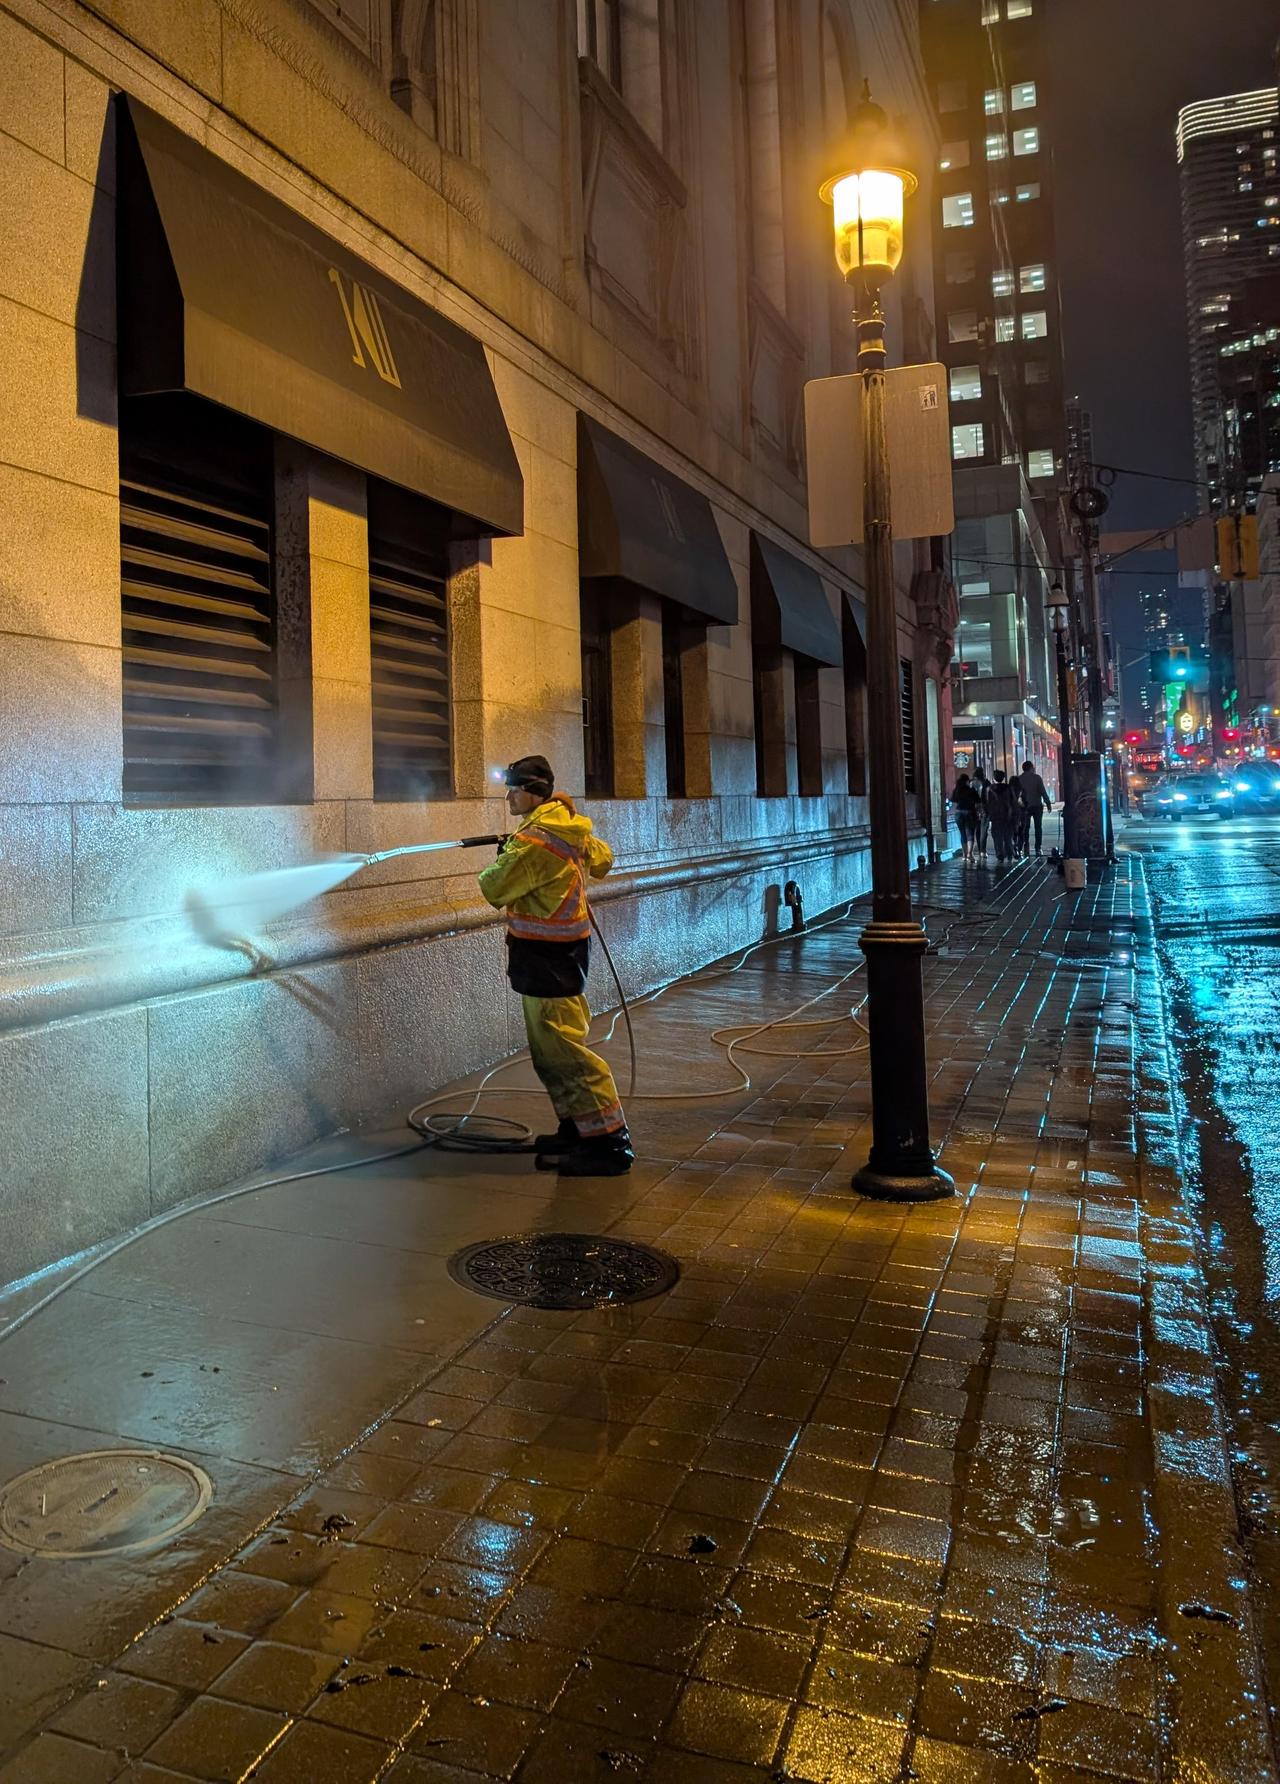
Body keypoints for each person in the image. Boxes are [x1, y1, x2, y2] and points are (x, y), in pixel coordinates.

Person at [477, 756, 633, 1177]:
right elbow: (602, 859)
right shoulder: (563, 825)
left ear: (531, 792)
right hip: (552, 954)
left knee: (565, 1051)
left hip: (549, 958)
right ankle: (578, 1128)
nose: (508, 797)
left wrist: (508, 852)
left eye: (512, 789)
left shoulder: (538, 840)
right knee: (549, 1052)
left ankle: (610, 1143)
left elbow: (493, 886)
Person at [1014, 759, 1054, 855]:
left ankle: (1025, 846)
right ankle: (1037, 848)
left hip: (1024, 807)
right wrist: (1048, 803)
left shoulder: (1019, 779)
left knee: (1025, 827)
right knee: (1038, 827)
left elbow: (1016, 794)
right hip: (1037, 806)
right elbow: (1042, 791)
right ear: (1031, 768)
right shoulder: (1037, 778)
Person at [986, 768, 1020, 863]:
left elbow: (988, 803)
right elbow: (1013, 802)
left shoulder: (990, 789)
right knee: (1008, 836)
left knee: (997, 836)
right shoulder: (1008, 788)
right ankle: (1009, 853)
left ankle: (999, 853)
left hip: (995, 816)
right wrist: (1015, 814)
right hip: (1007, 815)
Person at [950, 772, 980, 864]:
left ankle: (964, 854)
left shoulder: (957, 791)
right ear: (967, 781)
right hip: (969, 812)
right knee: (970, 834)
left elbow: (953, 800)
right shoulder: (971, 790)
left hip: (958, 813)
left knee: (962, 834)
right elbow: (978, 801)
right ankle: (970, 854)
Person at [971, 766, 991, 857]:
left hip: (973, 809)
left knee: (977, 830)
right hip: (984, 808)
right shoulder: (986, 783)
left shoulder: (971, 783)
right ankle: (983, 851)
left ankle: (978, 850)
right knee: (984, 830)